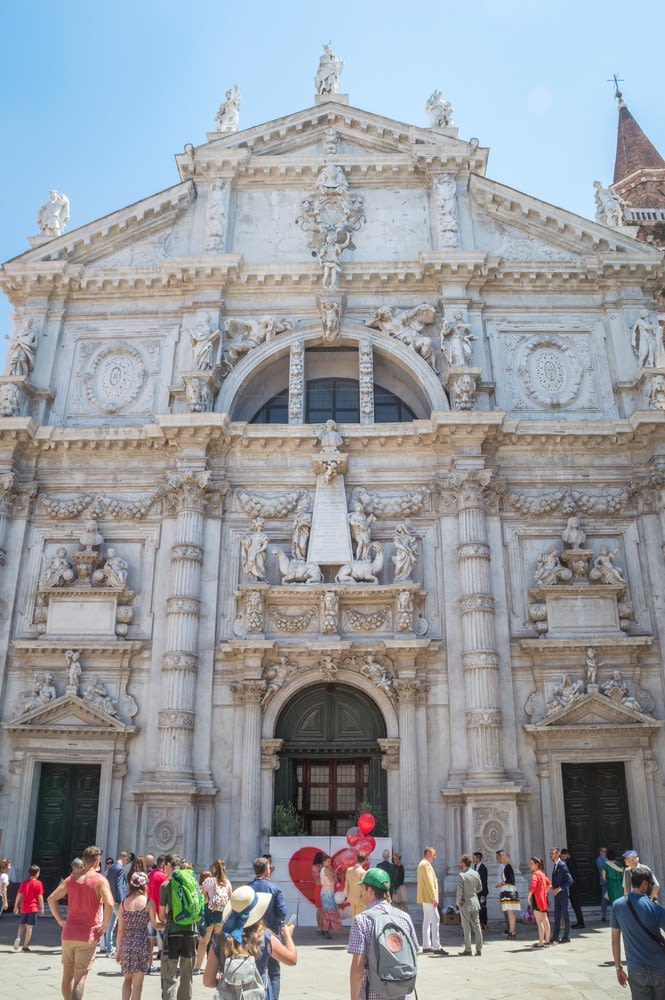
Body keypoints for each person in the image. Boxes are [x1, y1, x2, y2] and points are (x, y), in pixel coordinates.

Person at [202, 884, 296, 997]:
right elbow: (292, 959)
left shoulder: (220, 939)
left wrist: (229, 984)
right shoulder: (264, 938)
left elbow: (208, 981)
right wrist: (287, 935)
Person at [47, 844, 114, 1000]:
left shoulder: (71, 879)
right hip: (87, 935)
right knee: (80, 978)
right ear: (97, 862)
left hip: (68, 932)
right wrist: (104, 925)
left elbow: (51, 899)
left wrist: (60, 920)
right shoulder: (100, 880)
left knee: (67, 976)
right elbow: (110, 904)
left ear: (83, 860)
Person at [348, 867, 419, 1000]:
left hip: (373, 993)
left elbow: (358, 967)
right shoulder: (404, 917)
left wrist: (354, 998)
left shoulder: (362, 920)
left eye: (362, 888)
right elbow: (414, 952)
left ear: (370, 891)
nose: (361, 892)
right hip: (402, 993)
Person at [611, 865, 665, 997]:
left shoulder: (617, 905)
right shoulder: (656, 908)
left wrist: (618, 968)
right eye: (651, 883)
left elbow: (614, 940)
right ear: (645, 884)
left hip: (636, 968)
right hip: (660, 967)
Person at [116, 870, 161, 1000]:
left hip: (126, 943)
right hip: (141, 943)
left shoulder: (123, 903)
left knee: (127, 980)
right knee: (138, 985)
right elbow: (156, 924)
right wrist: (167, 923)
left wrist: (118, 951)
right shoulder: (148, 902)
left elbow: (120, 930)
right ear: (144, 885)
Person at [158, 853, 198, 1000]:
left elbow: (162, 915)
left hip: (173, 934)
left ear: (169, 866)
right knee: (187, 976)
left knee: (169, 976)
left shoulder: (166, 885)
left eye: (164, 867)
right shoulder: (192, 881)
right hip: (192, 932)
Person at [249, 856, 288, 997]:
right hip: (271, 936)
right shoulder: (274, 889)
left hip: (251, 936)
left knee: (255, 970)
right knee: (274, 972)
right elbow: (282, 913)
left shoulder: (248, 888)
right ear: (267, 870)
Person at [194, 858, 232, 974]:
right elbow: (231, 897)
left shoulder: (209, 881)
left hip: (209, 914)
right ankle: (219, 967)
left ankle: (197, 968)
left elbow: (202, 896)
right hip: (221, 914)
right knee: (218, 942)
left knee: (204, 941)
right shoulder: (227, 882)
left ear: (214, 868)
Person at [416, 845, 447, 954]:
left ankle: (426, 945)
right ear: (428, 853)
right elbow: (429, 882)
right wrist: (434, 896)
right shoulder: (426, 865)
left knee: (427, 921)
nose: (435, 856)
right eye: (434, 854)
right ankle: (436, 947)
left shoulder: (422, 864)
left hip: (425, 897)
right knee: (435, 920)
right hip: (429, 897)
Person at [13, 863, 44, 952]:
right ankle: (25, 946)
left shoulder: (24, 882)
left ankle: (18, 938)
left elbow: (19, 895)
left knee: (22, 925)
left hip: (24, 907)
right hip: (33, 908)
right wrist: (42, 908)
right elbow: (40, 896)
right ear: (37, 873)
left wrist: (15, 906)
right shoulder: (38, 883)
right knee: (29, 927)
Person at [456, 854, 483, 957]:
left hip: (465, 903)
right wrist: (472, 892)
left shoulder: (461, 875)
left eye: (460, 862)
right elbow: (480, 888)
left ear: (463, 863)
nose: (459, 864)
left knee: (466, 927)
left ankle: (468, 949)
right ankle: (479, 949)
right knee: (477, 926)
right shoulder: (476, 873)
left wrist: (458, 903)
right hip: (475, 902)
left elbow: (459, 891)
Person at [106, 851, 129, 957]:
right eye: (127, 860)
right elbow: (120, 886)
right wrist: (122, 901)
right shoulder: (119, 869)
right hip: (118, 901)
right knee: (123, 925)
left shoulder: (112, 868)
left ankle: (109, 948)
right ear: (124, 858)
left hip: (111, 899)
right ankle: (121, 949)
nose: (127, 862)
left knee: (111, 925)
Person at [146, 855, 168, 972]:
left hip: (150, 912)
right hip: (161, 913)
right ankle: (165, 965)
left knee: (150, 939)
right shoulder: (163, 877)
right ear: (163, 865)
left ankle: (149, 964)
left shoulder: (150, 875)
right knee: (165, 941)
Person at [550, 847, 573, 944]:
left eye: (553, 853)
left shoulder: (562, 865)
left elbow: (570, 880)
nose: (551, 855)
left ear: (558, 853)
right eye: (550, 853)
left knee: (565, 915)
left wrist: (559, 889)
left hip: (562, 894)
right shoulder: (555, 865)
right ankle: (555, 936)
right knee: (557, 915)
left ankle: (566, 936)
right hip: (557, 895)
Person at [527, 857, 551, 948]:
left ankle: (541, 943)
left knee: (539, 922)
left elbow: (533, 887)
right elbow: (549, 884)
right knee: (545, 920)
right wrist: (545, 892)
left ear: (537, 865)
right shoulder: (542, 873)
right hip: (544, 900)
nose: (530, 865)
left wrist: (528, 897)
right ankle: (547, 941)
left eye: (531, 863)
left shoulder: (535, 874)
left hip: (537, 900)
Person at [497, 850, 520, 939]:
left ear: (508, 858)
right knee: (510, 913)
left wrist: (501, 884)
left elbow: (511, 881)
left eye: (504, 857)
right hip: (508, 890)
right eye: (501, 858)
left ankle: (512, 931)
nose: (502, 859)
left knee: (510, 913)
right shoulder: (507, 867)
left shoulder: (508, 867)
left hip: (509, 891)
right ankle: (512, 931)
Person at [561, 849, 585, 928]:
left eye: (563, 856)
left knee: (576, 906)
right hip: (573, 889)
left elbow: (571, 877)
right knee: (575, 907)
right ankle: (579, 922)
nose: (562, 858)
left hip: (575, 889)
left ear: (567, 855)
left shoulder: (571, 863)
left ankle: (581, 923)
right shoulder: (569, 862)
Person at [319, 854, 342, 939]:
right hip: (328, 893)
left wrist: (334, 875)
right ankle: (326, 930)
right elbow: (333, 881)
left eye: (330, 861)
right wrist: (335, 875)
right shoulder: (326, 870)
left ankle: (325, 929)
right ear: (324, 862)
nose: (329, 862)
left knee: (326, 911)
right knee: (329, 912)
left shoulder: (324, 869)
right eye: (328, 861)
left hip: (326, 892)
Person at [344, 852, 369, 917]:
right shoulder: (363, 872)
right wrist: (366, 899)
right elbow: (363, 887)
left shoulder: (348, 870)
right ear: (364, 861)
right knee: (360, 918)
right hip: (360, 899)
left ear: (357, 859)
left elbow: (346, 885)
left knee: (353, 917)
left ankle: (353, 927)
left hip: (351, 897)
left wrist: (347, 895)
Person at [472, 852, 489, 931]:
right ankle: (479, 924)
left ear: (478, 858)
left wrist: (483, 894)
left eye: (474, 858)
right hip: (476, 892)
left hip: (482, 892)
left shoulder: (483, 868)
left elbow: (484, 882)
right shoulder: (475, 866)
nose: (473, 859)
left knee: (483, 908)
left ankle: (484, 924)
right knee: (478, 908)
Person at [596, 847, 609, 921]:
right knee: (604, 898)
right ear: (600, 852)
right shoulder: (599, 860)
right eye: (604, 851)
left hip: (611, 881)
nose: (605, 853)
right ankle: (603, 915)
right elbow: (602, 869)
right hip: (605, 881)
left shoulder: (607, 859)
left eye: (606, 851)